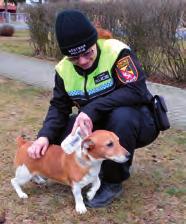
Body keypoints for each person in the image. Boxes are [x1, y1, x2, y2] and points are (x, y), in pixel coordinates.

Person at [27, 9, 159, 208]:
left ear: (94, 41)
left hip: (138, 121)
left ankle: (113, 183)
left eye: (87, 53)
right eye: (74, 58)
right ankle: (84, 171)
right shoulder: (63, 70)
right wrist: (44, 136)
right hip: (98, 127)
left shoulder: (117, 52)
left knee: (121, 116)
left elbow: (137, 91)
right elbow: (59, 107)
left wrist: (90, 109)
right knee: (65, 133)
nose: (82, 61)